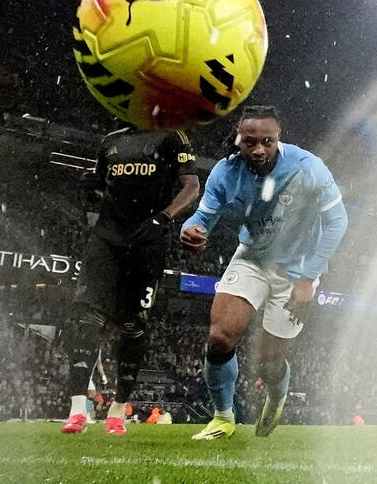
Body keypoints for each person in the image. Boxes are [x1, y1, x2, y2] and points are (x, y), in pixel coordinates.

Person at [180, 105, 348, 439]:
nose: (259, 149)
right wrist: (192, 229)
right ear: (238, 140)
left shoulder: (308, 167)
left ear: (278, 139)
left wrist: (308, 278)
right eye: (250, 142)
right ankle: (223, 418)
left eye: (267, 142)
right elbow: (203, 217)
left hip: (298, 270)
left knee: (269, 364)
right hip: (252, 257)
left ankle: (276, 396)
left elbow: (337, 222)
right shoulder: (226, 172)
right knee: (219, 337)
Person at [61, 127, 200, 435]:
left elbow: (192, 187)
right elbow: (100, 185)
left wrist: (163, 217)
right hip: (107, 239)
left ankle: (117, 410)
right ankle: (76, 411)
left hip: (147, 241)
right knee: (86, 319)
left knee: (133, 327)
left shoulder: (172, 137)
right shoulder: (110, 140)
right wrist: (89, 186)